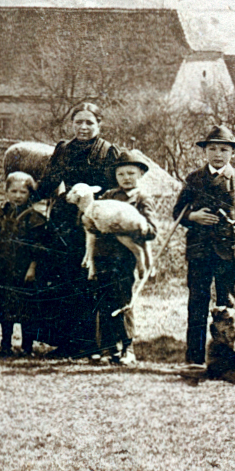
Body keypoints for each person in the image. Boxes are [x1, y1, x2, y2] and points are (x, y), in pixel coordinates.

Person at [37, 102, 128, 357]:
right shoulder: (63, 149)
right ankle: (65, 342)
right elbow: (49, 181)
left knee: (88, 280)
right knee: (63, 280)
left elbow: (115, 190)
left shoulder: (108, 152)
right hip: (63, 224)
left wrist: (91, 195)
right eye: (79, 122)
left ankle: (90, 342)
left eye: (89, 122)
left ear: (99, 124)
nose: (84, 127)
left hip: (92, 224)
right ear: (71, 124)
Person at [173, 124, 235, 366]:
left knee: (228, 306)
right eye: (212, 149)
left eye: (224, 149)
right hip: (199, 252)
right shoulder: (194, 179)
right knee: (197, 305)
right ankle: (195, 358)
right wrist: (192, 216)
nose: (218, 154)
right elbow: (177, 212)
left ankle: (228, 357)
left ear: (233, 153)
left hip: (227, 255)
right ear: (205, 151)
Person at [90, 149, 156, 365]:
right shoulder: (108, 196)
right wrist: (101, 227)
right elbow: (95, 219)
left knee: (124, 301)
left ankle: (128, 348)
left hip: (126, 259)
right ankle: (107, 349)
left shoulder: (142, 199)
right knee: (103, 301)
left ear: (140, 175)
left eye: (131, 174)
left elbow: (152, 230)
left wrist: (130, 229)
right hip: (104, 255)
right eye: (121, 174)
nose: (126, 178)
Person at [0, 170, 49, 356]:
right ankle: (5, 345)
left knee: (26, 307)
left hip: (24, 268)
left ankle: (27, 346)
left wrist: (32, 268)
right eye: (14, 191)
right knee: (5, 306)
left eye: (23, 192)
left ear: (30, 194)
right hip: (3, 266)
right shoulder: (1, 215)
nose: (18, 196)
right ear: (6, 192)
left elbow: (39, 248)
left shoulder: (35, 218)